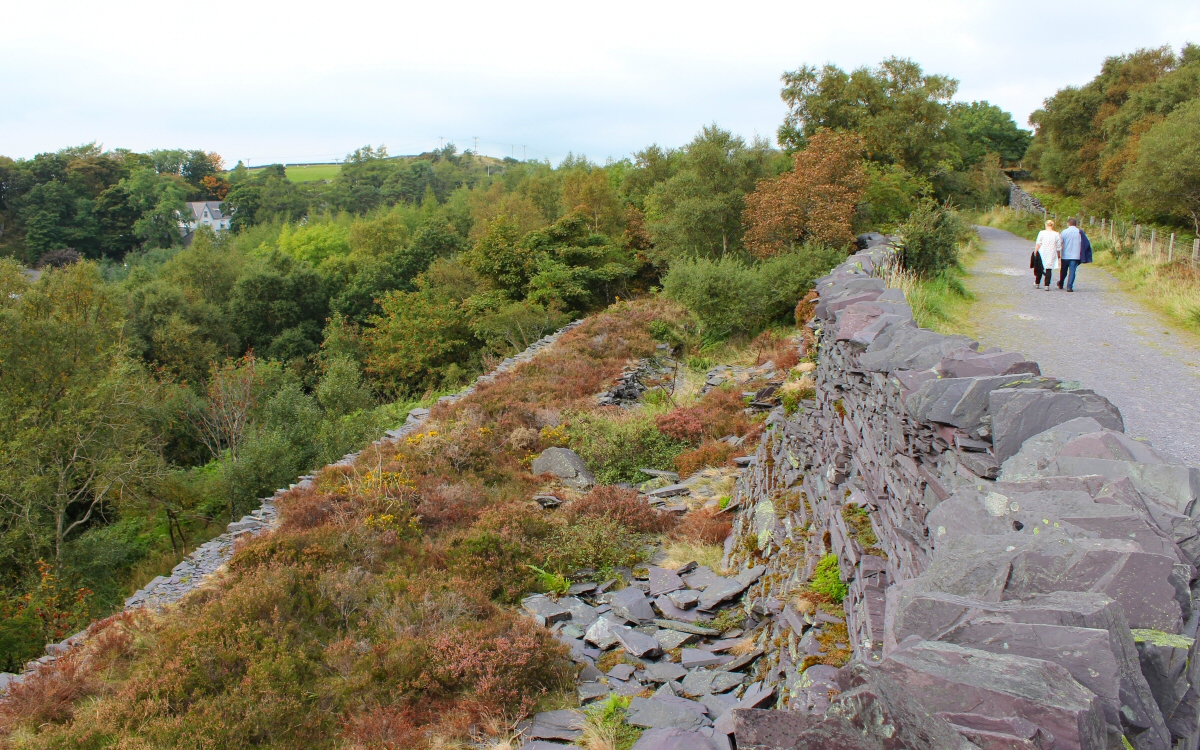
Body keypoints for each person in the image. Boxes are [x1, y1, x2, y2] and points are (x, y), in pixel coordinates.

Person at [1031, 219, 1061, 290]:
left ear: (1046, 225)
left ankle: (1037, 283)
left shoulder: (1042, 233)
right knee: (1048, 268)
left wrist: (1035, 252)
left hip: (1042, 252)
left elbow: (1038, 243)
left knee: (1039, 268)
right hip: (1051, 252)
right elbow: (1058, 246)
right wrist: (1059, 255)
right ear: (1053, 226)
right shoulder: (1056, 234)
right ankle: (1047, 285)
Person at [1058, 218, 1084, 291]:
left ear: (1068, 223)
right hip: (1076, 255)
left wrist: (1059, 253)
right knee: (1072, 271)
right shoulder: (1080, 232)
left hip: (1065, 255)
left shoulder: (1064, 232)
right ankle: (1069, 286)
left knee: (1063, 271)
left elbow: (1060, 242)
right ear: (1076, 224)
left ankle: (1061, 283)